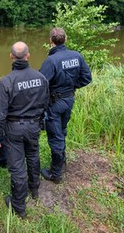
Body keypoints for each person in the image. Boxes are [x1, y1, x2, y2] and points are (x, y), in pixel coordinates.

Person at [0, 41, 49, 218]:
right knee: (33, 156)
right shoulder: (41, 78)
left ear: (11, 57)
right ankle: (34, 190)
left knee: (17, 167)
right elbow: (46, 103)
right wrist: (40, 122)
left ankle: (18, 206)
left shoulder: (6, 81)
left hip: (13, 128)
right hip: (33, 126)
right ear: (28, 56)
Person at [40, 27, 92, 184]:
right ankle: (61, 161)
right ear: (66, 39)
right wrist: (72, 87)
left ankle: (55, 174)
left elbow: (41, 84)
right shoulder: (76, 56)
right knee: (61, 130)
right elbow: (87, 78)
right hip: (69, 99)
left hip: (55, 103)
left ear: (51, 41)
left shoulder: (51, 61)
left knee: (56, 136)